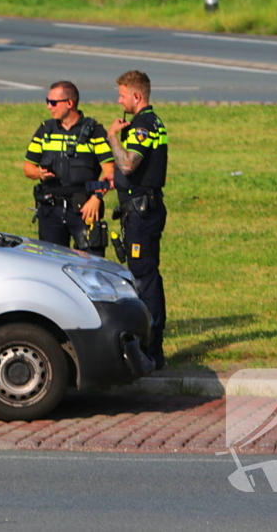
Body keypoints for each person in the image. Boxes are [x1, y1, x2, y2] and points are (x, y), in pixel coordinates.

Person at [104, 70, 169, 369]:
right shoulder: (154, 122)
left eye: (122, 95)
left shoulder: (142, 126)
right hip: (144, 209)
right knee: (145, 275)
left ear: (137, 96)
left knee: (144, 277)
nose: (119, 100)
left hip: (142, 212)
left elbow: (129, 165)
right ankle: (151, 345)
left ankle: (152, 348)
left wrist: (112, 137)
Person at [23, 80, 114, 257]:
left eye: (54, 102)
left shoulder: (94, 132)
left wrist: (96, 198)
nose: (49, 107)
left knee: (91, 265)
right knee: (51, 265)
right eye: (47, 101)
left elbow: (110, 171)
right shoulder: (45, 131)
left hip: (84, 209)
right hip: (51, 210)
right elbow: (27, 168)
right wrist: (39, 173)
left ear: (70, 103)